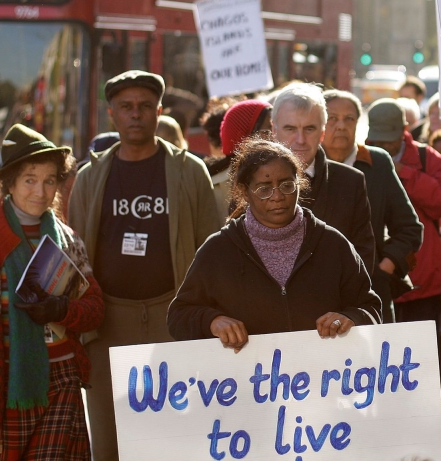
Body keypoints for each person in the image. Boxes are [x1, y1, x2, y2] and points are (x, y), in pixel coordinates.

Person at [67, 70, 221, 461]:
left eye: (145, 107)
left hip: (172, 320)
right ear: (111, 115)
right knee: (109, 438)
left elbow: (211, 251)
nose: (136, 114)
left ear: (158, 112)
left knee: (172, 438)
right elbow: (74, 253)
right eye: (126, 107)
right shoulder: (89, 177)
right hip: (108, 322)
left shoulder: (190, 172)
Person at [0, 124, 104, 459]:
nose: (41, 191)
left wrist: (61, 310)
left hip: (61, 381)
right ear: (10, 183)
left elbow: (94, 309)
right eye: (30, 179)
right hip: (1, 384)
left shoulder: (67, 240)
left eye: (49, 180)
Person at [167, 139, 381, 345]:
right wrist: (211, 321)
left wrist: (351, 318)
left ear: (299, 183)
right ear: (244, 192)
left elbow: (370, 308)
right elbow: (179, 316)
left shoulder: (333, 245)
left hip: (322, 376)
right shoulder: (219, 251)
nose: (277, 196)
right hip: (248, 379)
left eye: (287, 185)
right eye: (264, 188)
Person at [321, 89, 423, 324]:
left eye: (349, 119)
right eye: (332, 118)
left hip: (371, 292)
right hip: (319, 298)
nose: (341, 126)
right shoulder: (305, 166)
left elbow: (409, 228)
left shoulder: (376, 162)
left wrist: (383, 269)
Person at [366, 99, 441, 323]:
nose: (384, 145)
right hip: (377, 278)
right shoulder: (359, 159)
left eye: (388, 141)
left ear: (404, 131)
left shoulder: (426, 158)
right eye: (378, 140)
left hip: (424, 282)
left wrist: (402, 172)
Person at [271, 83, 376, 274]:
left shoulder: (350, 182)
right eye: (290, 129)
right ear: (274, 130)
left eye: (309, 129)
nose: (300, 139)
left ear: (322, 132)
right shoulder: (249, 181)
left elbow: (363, 257)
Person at [211, 99, 272, 222]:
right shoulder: (214, 188)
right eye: (267, 131)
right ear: (244, 137)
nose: (274, 137)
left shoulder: (287, 176)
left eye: (275, 129)